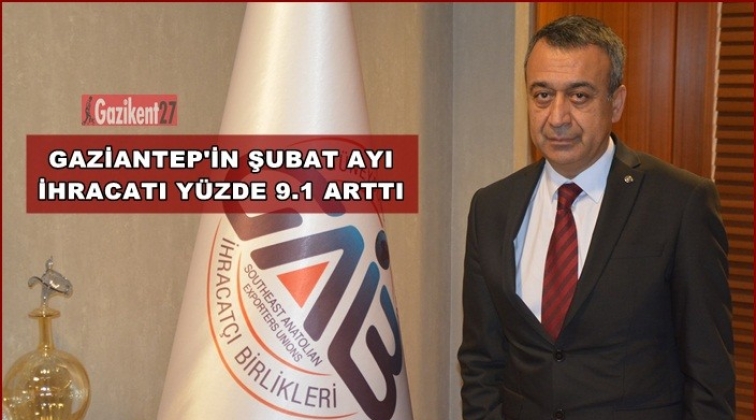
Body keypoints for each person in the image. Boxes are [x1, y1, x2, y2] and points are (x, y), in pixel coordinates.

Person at [458, 15, 735, 420]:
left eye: (579, 96)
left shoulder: (681, 203)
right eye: (542, 95)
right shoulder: (491, 207)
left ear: (616, 102)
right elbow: (481, 359)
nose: (557, 117)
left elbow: (710, 374)